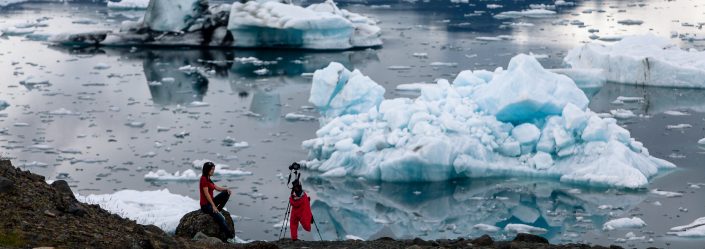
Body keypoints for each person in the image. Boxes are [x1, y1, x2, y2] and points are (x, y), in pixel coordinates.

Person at [199, 161, 235, 241]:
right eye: (211, 169)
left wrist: (226, 189)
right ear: (207, 169)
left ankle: (218, 210)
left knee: (226, 193)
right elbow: (206, 194)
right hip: (205, 205)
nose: (213, 171)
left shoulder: (208, 179)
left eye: (213, 169)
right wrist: (213, 206)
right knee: (221, 219)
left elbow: (217, 188)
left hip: (210, 203)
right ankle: (230, 237)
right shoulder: (203, 179)